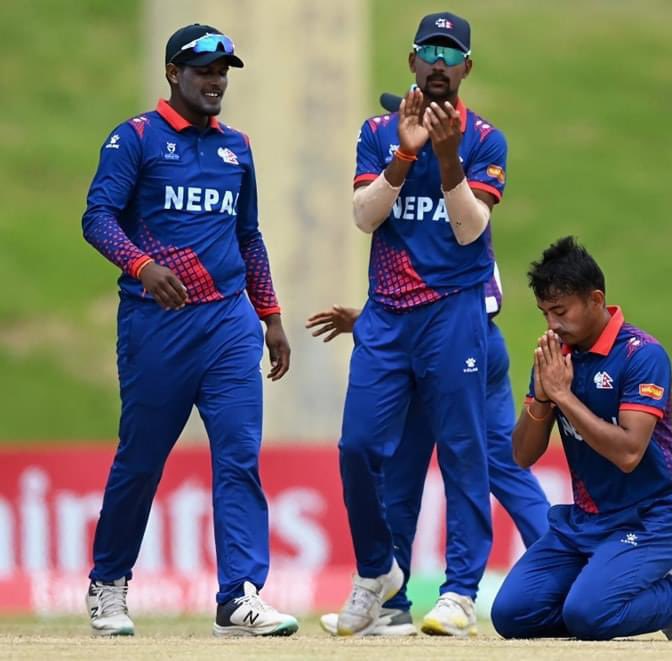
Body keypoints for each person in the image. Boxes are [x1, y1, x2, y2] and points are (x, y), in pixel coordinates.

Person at [80, 24, 298, 638]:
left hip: (228, 323)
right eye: (204, 69)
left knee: (239, 457)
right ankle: (108, 584)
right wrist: (142, 267)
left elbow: (248, 236)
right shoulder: (136, 139)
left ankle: (239, 596)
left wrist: (271, 315)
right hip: (158, 325)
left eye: (223, 70)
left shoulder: (237, 148)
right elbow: (97, 217)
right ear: (174, 73)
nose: (215, 80)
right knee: (141, 460)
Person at [335, 11, 508, 636]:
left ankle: (460, 591)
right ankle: (377, 574)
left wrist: (447, 156)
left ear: (466, 68)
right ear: (411, 62)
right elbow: (364, 216)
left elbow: (469, 230)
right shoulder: (378, 131)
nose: (439, 62)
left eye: (450, 53)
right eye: (429, 51)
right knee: (358, 447)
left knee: (463, 450)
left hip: (454, 311)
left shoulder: (485, 139)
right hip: (386, 313)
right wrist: (407, 154)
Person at [490, 237, 672, 641]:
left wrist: (564, 396)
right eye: (545, 313)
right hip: (584, 521)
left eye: (561, 311)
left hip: (649, 519)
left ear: (595, 299)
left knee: (589, 616)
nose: (552, 325)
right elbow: (523, 455)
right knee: (511, 616)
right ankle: (611, 601)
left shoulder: (642, 355)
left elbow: (629, 453)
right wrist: (543, 398)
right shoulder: (555, 359)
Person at [306, 276, 550, 636]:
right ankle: (391, 606)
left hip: (461, 345)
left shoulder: (463, 243)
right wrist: (374, 319)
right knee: (408, 475)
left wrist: (379, 322)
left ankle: (550, 575)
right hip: (436, 344)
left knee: (476, 465)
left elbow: (473, 295)